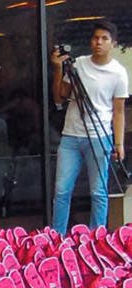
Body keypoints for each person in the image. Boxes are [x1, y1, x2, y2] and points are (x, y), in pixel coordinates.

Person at [50, 20, 129, 234]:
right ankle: (56, 238)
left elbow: (118, 112)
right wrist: (58, 68)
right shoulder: (79, 65)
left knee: (98, 192)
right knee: (62, 191)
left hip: (99, 137)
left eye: (104, 39)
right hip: (70, 136)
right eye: (95, 38)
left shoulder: (118, 73)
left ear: (113, 43)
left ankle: (97, 239)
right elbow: (60, 96)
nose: (99, 42)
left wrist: (119, 144)